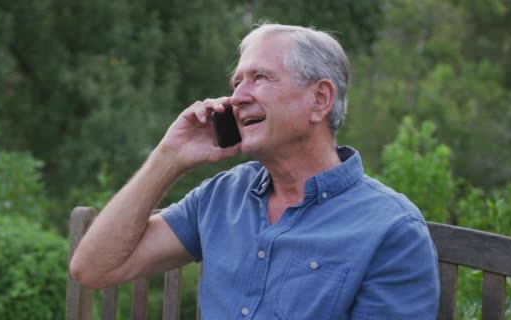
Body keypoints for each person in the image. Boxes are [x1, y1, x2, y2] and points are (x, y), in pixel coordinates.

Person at [70, 23, 440, 319]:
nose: (238, 97)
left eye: (260, 78)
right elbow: (93, 269)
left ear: (320, 100)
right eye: (237, 82)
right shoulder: (222, 195)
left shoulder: (392, 230)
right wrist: (170, 156)